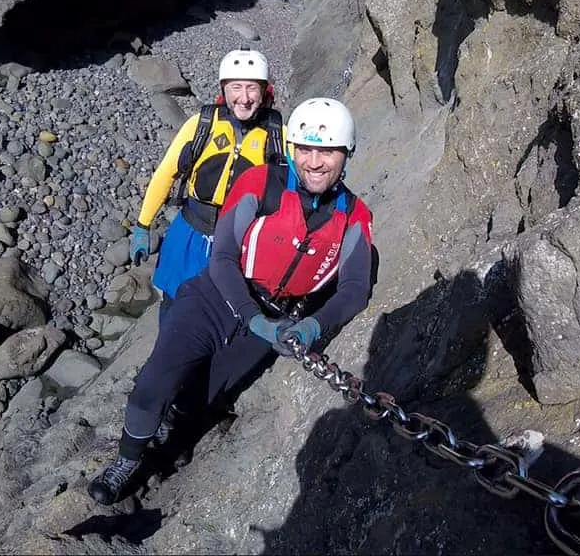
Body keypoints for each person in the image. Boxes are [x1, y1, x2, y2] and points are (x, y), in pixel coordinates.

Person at [89, 97, 374, 506]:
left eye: (327, 151)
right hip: (216, 296)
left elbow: (354, 289)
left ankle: (173, 433)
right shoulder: (261, 182)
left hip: (277, 318)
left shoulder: (353, 216)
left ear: (346, 155)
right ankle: (128, 459)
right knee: (154, 382)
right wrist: (252, 317)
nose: (314, 162)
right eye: (306, 149)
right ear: (292, 149)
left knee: (204, 395)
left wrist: (312, 326)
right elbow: (222, 256)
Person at [130, 48, 286, 324]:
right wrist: (143, 226)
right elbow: (166, 173)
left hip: (238, 241)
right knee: (174, 303)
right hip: (190, 231)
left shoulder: (278, 137)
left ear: (264, 91)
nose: (244, 97)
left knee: (221, 312)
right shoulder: (201, 125)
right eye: (236, 87)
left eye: (252, 88)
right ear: (223, 89)